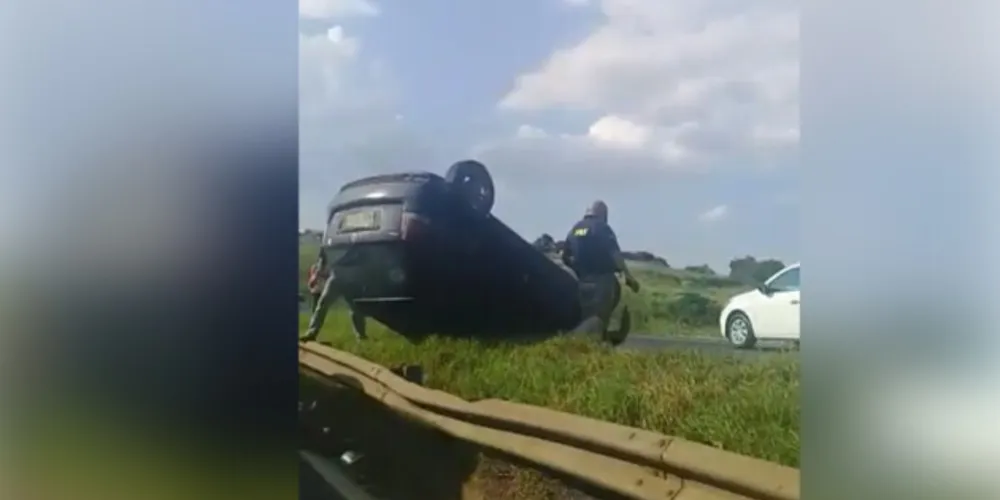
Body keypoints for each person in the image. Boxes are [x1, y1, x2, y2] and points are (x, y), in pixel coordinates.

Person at [560, 200, 640, 336]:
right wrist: (628, 276)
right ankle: (594, 347)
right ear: (603, 214)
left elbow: (564, 256)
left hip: (582, 283)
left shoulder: (575, 229)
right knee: (598, 322)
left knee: (585, 319)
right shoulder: (602, 228)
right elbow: (615, 254)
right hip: (602, 283)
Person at [301, 248, 367, 342]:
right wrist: (316, 275)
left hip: (352, 278)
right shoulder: (330, 241)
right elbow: (322, 259)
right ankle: (312, 332)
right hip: (336, 277)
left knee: (356, 308)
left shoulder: (354, 240)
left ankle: (361, 336)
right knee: (322, 304)